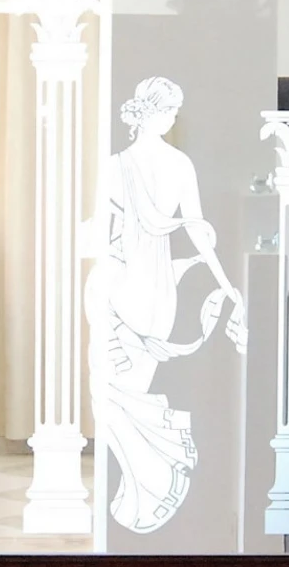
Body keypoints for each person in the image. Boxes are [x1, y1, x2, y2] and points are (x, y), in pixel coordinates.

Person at [84, 76, 245, 533]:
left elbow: (102, 232)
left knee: (113, 393)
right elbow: (197, 232)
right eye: (170, 110)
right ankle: (141, 491)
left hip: (124, 283)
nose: (174, 118)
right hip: (151, 289)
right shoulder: (174, 164)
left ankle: (145, 489)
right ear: (153, 112)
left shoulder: (121, 165)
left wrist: (228, 285)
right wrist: (226, 283)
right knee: (122, 392)